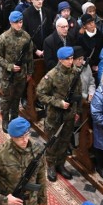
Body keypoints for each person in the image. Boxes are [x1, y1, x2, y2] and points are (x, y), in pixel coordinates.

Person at [36, 46, 84, 181]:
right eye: (67, 59)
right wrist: (59, 103)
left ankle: (61, 164)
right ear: (60, 60)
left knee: (65, 140)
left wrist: (77, 111)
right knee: (53, 142)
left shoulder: (76, 72)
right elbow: (40, 93)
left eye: (71, 59)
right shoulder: (52, 75)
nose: (70, 62)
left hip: (70, 114)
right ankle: (51, 165)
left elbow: (78, 94)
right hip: (55, 115)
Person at [0, 11, 34, 131]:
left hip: (22, 75)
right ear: (11, 23)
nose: (19, 25)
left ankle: (14, 118)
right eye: (16, 23)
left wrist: (30, 72)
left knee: (17, 98)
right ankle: (5, 119)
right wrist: (8, 66)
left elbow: (30, 57)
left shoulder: (26, 36)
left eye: (20, 22)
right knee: (6, 99)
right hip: (8, 75)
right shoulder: (4, 37)